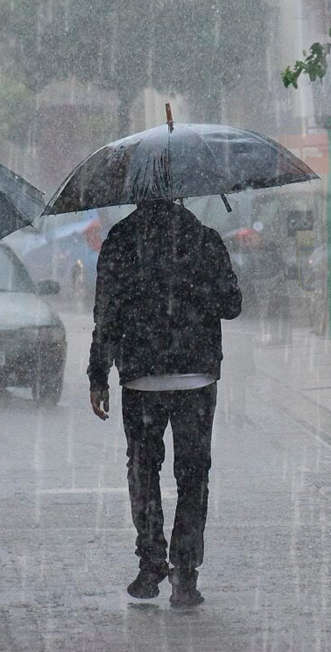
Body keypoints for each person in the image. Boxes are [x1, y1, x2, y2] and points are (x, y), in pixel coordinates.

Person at [88, 198, 242, 608]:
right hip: (197, 376)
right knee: (193, 474)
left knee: (142, 468)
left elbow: (107, 314)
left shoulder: (120, 241)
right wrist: (196, 284)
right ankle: (185, 575)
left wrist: (98, 374)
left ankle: (152, 561)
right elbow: (232, 304)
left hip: (141, 377)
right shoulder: (204, 239)